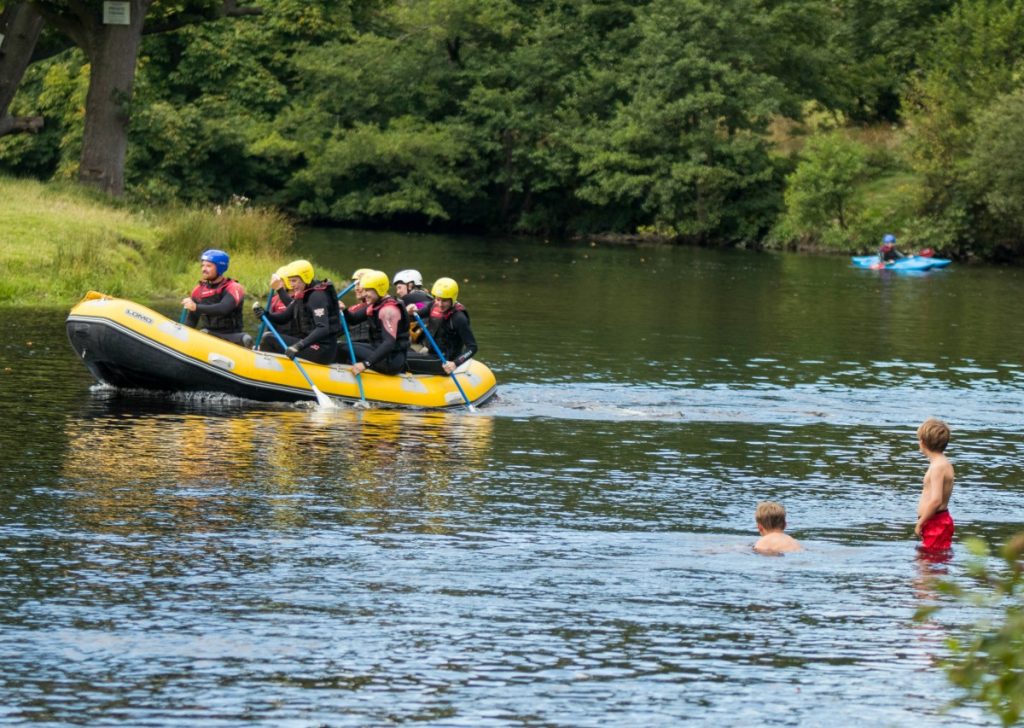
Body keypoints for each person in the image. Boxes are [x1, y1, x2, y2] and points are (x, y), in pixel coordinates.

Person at [252, 259, 340, 365]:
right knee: (269, 336)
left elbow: (323, 328)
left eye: (294, 281)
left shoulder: (317, 296)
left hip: (323, 350)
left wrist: (298, 346)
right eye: (290, 281)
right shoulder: (302, 294)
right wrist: (265, 314)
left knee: (269, 339)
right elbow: (284, 317)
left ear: (305, 278)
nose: (291, 285)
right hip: (309, 344)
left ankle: (269, 369)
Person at [339, 269, 409, 375]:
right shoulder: (376, 304)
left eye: (367, 290)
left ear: (379, 289)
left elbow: (389, 343)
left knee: (343, 349)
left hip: (391, 360)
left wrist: (365, 364)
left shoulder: (388, 310)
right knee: (343, 345)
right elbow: (353, 320)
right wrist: (344, 309)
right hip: (382, 352)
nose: (364, 294)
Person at [406, 277, 478, 376]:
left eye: (444, 301)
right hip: (429, 353)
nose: (440, 304)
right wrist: (410, 312)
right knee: (397, 350)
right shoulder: (433, 305)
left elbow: (472, 347)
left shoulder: (459, 318)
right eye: (438, 299)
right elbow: (416, 315)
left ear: (452, 299)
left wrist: (455, 364)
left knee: (401, 359)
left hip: (443, 362)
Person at [180, 249, 250, 347]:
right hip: (209, 334)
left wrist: (196, 307)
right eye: (203, 265)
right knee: (203, 333)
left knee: (246, 339)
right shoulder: (198, 290)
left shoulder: (233, 288)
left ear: (220, 268)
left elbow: (223, 308)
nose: (204, 269)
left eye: (208, 266)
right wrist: (182, 336)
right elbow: (192, 320)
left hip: (232, 336)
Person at [915, 418, 955, 551]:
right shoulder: (943, 463)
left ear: (923, 442)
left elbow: (936, 500)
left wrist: (920, 523)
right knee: (931, 561)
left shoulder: (938, 467)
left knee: (929, 563)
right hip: (937, 520)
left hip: (935, 522)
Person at [393, 269, 433, 352]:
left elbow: (422, 305)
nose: (397, 291)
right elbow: (422, 305)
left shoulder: (411, 297)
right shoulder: (424, 296)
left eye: (399, 287)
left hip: (424, 346)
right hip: (423, 343)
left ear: (410, 285)